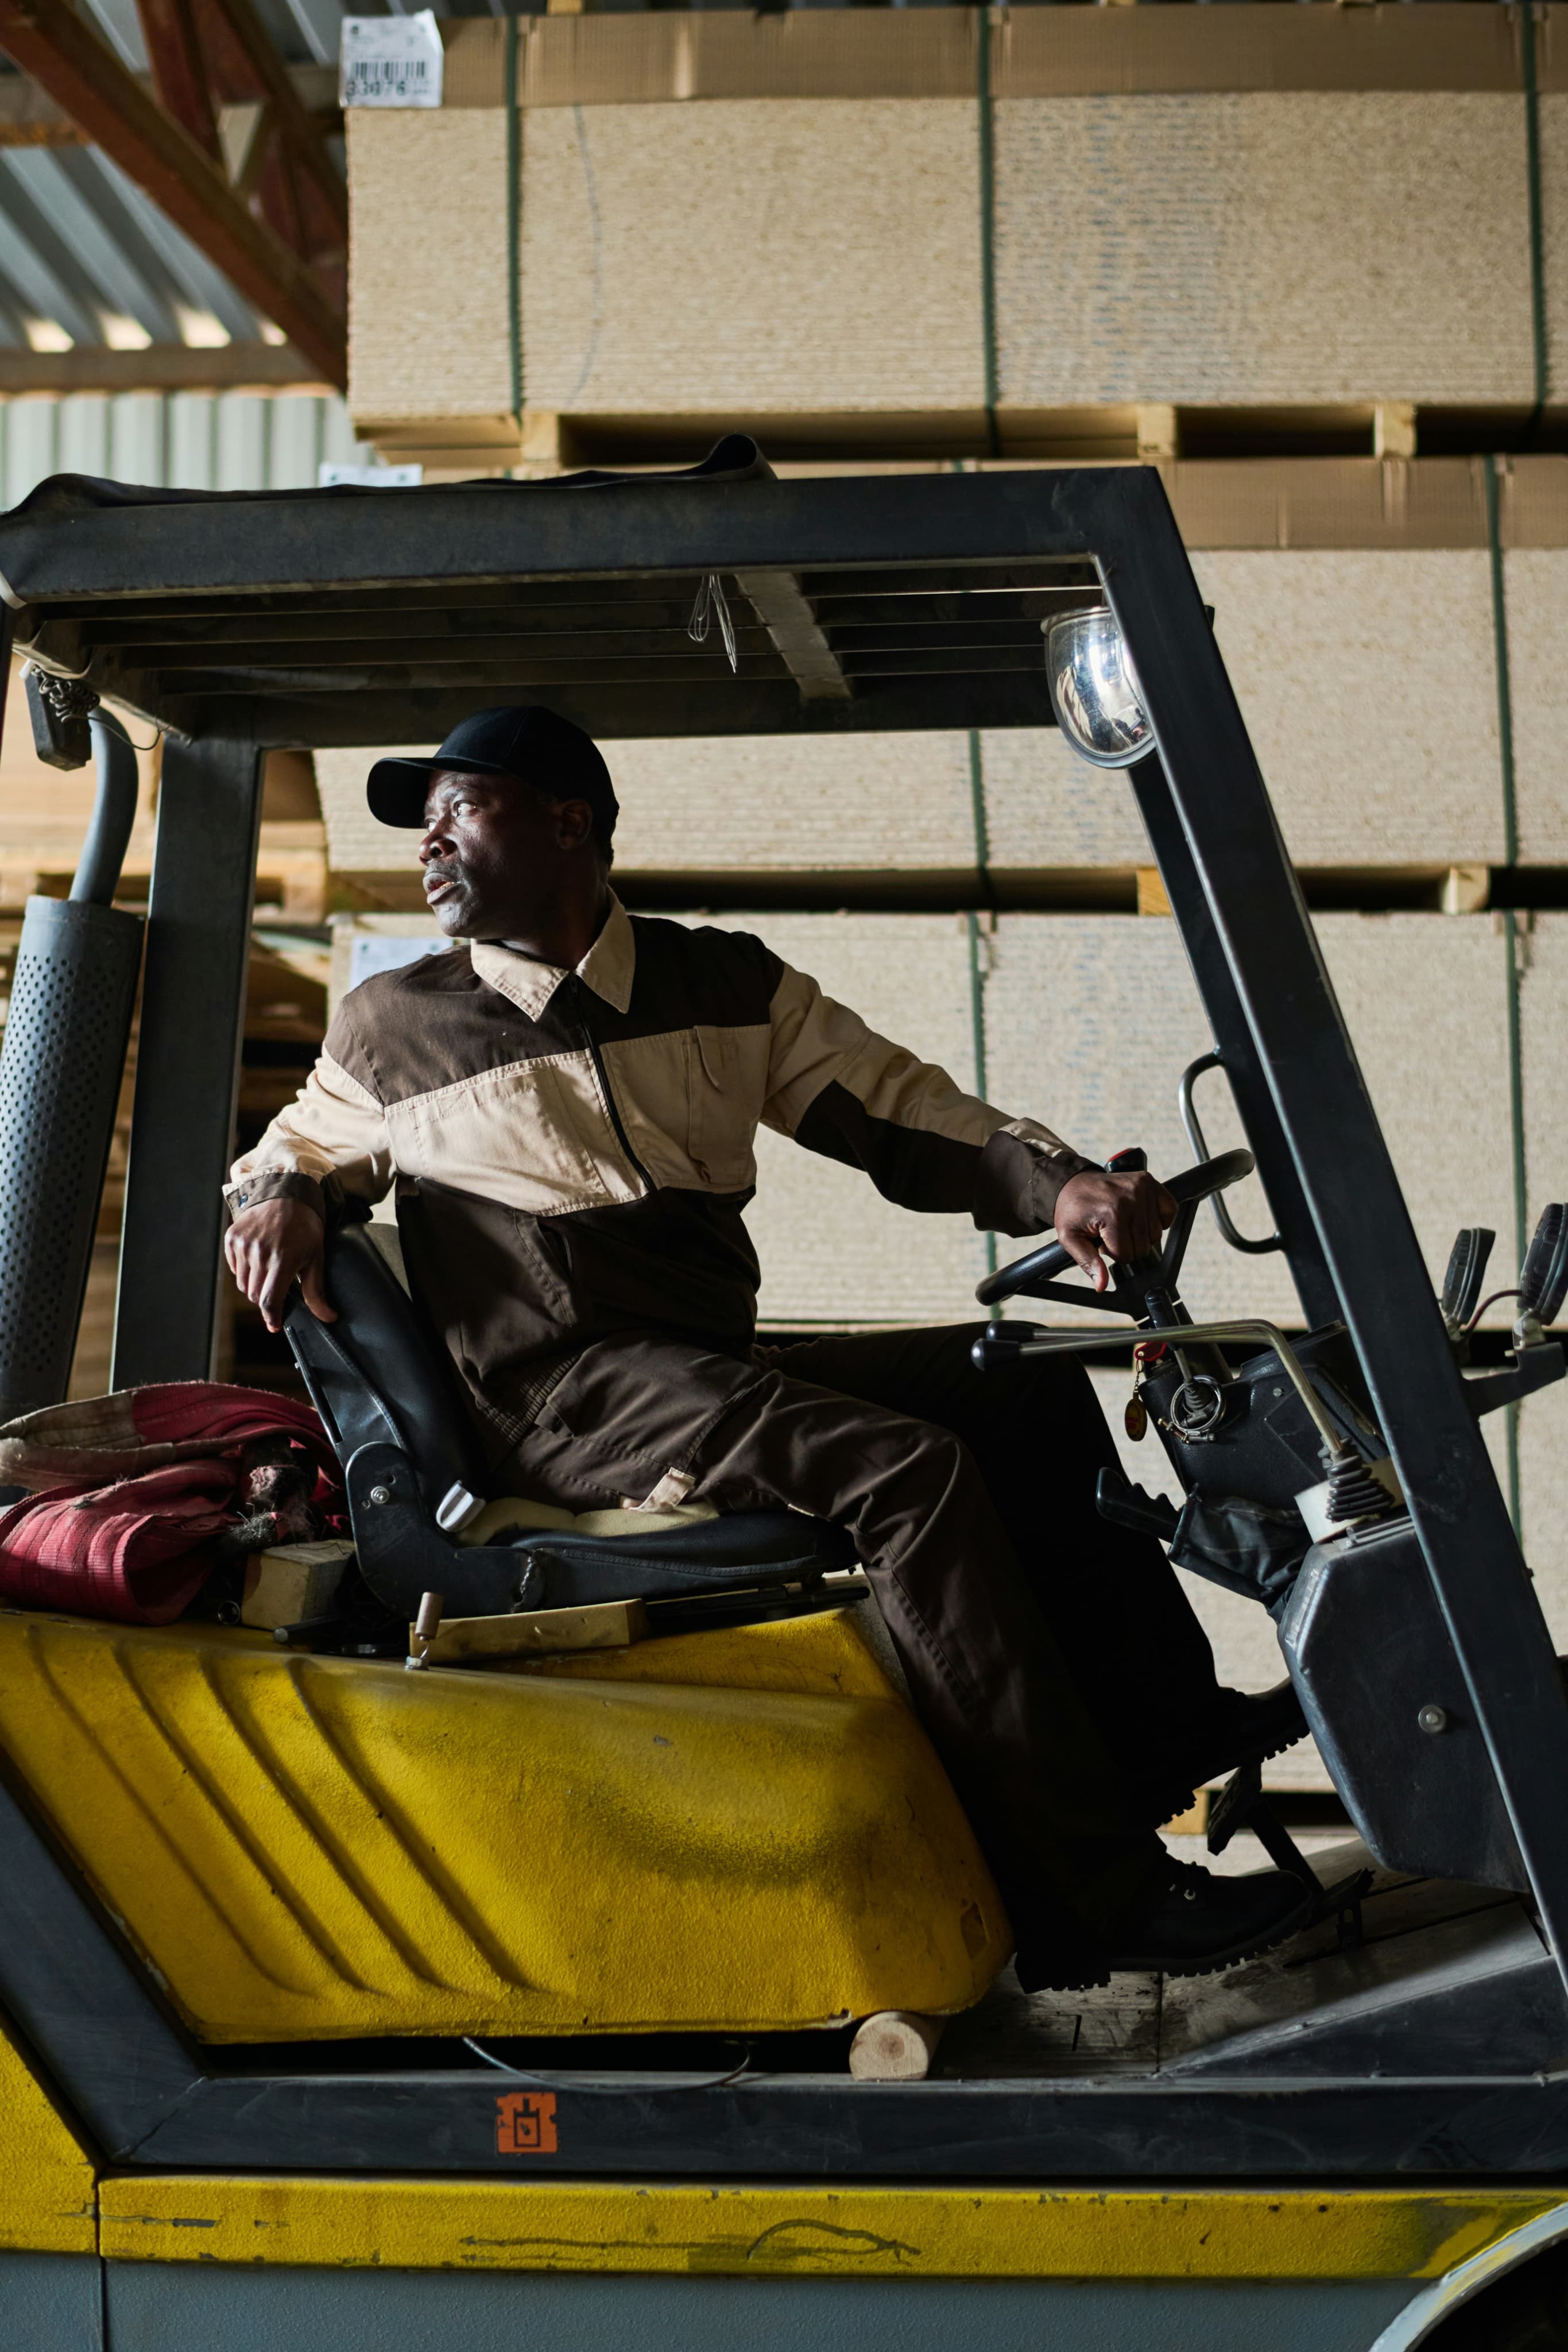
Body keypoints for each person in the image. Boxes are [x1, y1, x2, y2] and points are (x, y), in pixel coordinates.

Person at [226, 704, 1313, 1987]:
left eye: (458, 808)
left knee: (1012, 1388)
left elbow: (901, 1108)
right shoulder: (391, 1027)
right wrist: (283, 1198)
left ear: (569, 820)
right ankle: (1096, 1897)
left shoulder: (723, 982)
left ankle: (1155, 1739)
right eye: (423, 823)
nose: (428, 843)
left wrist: (1059, 1181)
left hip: (705, 1367)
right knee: (903, 1471)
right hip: (565, 1402)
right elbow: (287, 1149)